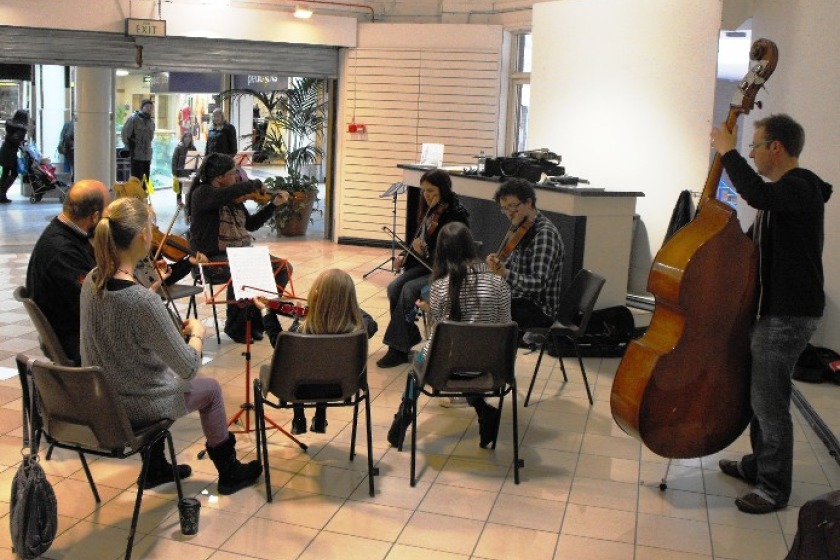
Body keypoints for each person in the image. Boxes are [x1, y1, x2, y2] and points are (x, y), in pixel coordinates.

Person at [80, 197, 262, 495]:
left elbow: (123, 319)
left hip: (104, 399)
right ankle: (229, 472)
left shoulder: (92, 280)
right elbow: (188, 367)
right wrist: (198, 332)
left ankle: (155, 468)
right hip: (136, 404)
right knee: (211, 390)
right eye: (151, 227)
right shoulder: (142, 302)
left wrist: (152, 289)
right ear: (142, 236)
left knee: (161, 370)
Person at [711, 114, 832, 514]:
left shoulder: (800, 189)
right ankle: (758, 465)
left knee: (769, 402)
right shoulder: (785, 195)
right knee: (760, 395)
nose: (751, 153)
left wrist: (727, 152)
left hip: (789, 315)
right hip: (776, 311)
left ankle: (773, 488)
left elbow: (755, 195)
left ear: (775, 148)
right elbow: (755, 244)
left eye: (754, 146)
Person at [387, 222, 512, 449]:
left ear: (442, 253)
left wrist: (430, 311)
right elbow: (504, 325)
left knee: (419, 359)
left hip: (446, 369)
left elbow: (438, 336)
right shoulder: (499, 284)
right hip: (491, 367)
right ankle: (483, 409)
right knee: (470, 356)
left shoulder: (440, 287)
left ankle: (404, 414)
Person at [254, 268, 378, 435]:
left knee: (300, 365)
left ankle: (299, 418)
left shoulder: (300, 331)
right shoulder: (362, 330)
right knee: (325, 363)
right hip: (343, 387)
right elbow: (370, 320)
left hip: (294, 388)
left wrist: (266, 311)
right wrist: (344, 304)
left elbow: (279, 342)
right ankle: (320, 418)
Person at [188, 153, 292, 343]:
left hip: (239, 255)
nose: (237, 176)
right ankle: (237, 327)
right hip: (209, 260)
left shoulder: (231, 198)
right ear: (220, 177)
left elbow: (251, 224)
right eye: (233, 173)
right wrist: (253, 184)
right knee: (246, 270)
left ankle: (256, 320)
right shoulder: (203, 193)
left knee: (282, 267)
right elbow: (225, 194)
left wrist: (273, 205)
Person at [376, 169, 470, 368]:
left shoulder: (456, 215)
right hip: (426, 266)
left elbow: (452, 255)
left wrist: (426, 250)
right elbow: (416, 240)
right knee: (394, 288)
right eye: (424, 191)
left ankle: (398, 349)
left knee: (409, 290)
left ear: (443, 190)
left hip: (445, 269)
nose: (427, 195)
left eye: (431, 191)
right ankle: (408, 335)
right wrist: (405, 256)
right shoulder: (427, 210)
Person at [25, 179, 110, 364]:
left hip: (75, 331)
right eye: (106, 215)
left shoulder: (67, 234)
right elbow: (95, 308)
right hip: (76, 342)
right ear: (94, 217)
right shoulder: (62, 251)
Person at [486, 178, 564, 336]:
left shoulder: (544, 234)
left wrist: (506, 274)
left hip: (540, 309)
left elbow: (538, 283)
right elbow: (512, 265)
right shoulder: (522, 227)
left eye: (513, 206)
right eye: (504, 208)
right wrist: (497, 264)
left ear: (529, 202)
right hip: (520, 299)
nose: (509, 213)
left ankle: (495, 356)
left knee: (488, 310)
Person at [121, 99, 155, 189]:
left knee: (145, 182)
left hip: (147, 157)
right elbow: (125, 134)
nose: (149, 109)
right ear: (142, 107)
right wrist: (131, 147)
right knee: (136, 181)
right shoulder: (133, 119)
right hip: (136, 156)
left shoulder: (151, 122)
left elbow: (151, 138)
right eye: (147, 107)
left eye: (151, 107)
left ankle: (144, 199)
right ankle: (136, 201)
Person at [0, 109, 30, 203]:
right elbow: (15, 139)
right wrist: (21, 143)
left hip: (5, 150)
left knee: (5, 173)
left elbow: (10, 137)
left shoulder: (10, 125)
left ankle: (2, 194)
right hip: (10, 152)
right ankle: (2, 193)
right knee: (14, 173)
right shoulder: (21, 129)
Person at [171, 131, 196, 207]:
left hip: (189, 171)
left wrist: (194, 171)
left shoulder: (193, 148)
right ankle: (179, 200)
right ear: (183, 138)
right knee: (180, 187)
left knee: (188, 186)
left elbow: (195, 160)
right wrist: (174, 172)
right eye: (186, 137)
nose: (187, 139)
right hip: (180, 171)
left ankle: (188, 200)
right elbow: (174, 160)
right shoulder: (178, 148)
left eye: (189, 137)